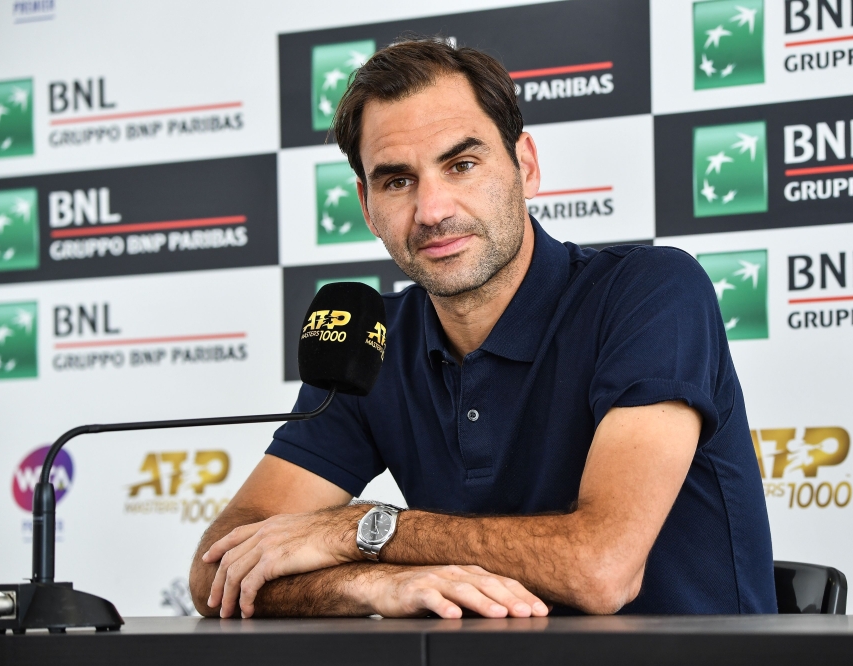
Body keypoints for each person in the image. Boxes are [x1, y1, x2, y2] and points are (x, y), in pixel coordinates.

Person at [189, 38, 777, 620]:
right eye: (397, 181)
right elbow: (218, 574)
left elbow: (602, 569)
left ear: (525, 165)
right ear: (366, 207)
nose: (432, 209)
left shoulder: (650, 291)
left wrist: (360, 532)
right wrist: (369, 585)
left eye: (461, 164)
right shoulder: (375, 339)